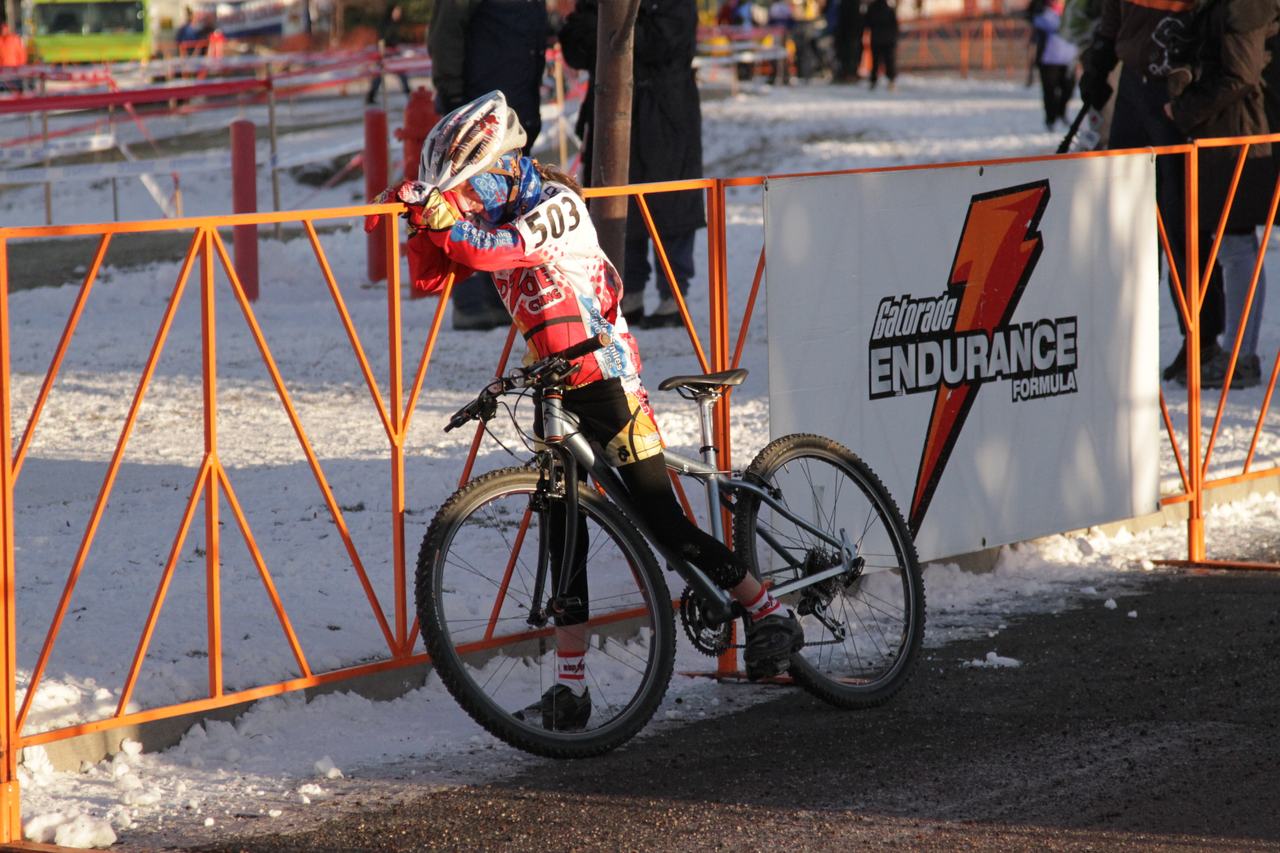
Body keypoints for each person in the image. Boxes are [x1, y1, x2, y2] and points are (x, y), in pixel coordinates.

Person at [387, 92, 804, 726]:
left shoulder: (556, 207)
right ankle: (571, 688)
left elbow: (484, 250)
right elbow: (438, 266)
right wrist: (418, 217)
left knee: (661, 521)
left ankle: (768, 610)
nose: (467, 201)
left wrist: (445, 218)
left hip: (606, 379)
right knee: (563, 539)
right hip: (554, 384)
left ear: (501, 172)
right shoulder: (488, 216)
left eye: (472, 188)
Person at [1077, 0, 1226, 383]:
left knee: (1181, 224)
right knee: (1126, 225)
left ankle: (1202, 340)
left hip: (1176, 89)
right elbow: (1114, 15)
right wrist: (1099, 63)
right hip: (1132, 87)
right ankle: (1124, 340)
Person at [559, 0, 706, 329]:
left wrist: (607, 26)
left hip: (666, 111)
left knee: (670, 204)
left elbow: (660, 42)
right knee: (616, 204)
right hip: (611, 107)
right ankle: (628, 291)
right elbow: (578, 48)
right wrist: (595, 27)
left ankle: (673, 297)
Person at [1166, 0, 1278, 389]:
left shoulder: (1243, 5)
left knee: (1237, 246)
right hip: (1233, 134)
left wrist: (1184, 110)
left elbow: (1241, 74)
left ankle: (1240, 357)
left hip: (1241, 137)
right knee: (1235, 244)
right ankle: (1238, 353)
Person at [428, 0, 547, 331]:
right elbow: (445, 35)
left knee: (506, 203)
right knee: (466, 202)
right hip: (476, 113)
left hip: (514, 113)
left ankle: (501, 297)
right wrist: (453, 99)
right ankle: (469, 301)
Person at [1031, 0, 1077, 129]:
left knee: (1068, 89)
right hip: (1049, 60)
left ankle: (1061, 113)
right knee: (1049, 91)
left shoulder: (1071, 13)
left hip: (1068, 59)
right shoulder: (1043, 14)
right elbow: (1047, 24)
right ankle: (1050, 119)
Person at [366, 2, 412, 105]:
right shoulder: (386, 24)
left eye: (399, 12)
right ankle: (371, 96)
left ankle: (409, 94)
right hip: (384, 53)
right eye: (397, 11)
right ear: (392, 11)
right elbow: (383, 37)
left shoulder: (397, 24)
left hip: (394, 53)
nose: (398, 14)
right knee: (378, 76)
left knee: (402, 74)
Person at [865, 0, 899, 90]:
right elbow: (895, 25)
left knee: (875, 61)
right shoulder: (889, 8)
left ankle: (873, 81)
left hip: (876, 39)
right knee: (889, 61)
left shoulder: (872, 8)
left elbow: (867, 23)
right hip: (888, 40)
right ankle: (891, 81)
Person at [833, 0, 865, 83]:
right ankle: (848, 74)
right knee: (849, 55)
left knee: (850, 54)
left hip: (849, 33)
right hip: (849, 33)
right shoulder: (850, 4)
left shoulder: (847, 4)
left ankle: (849, 74)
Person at [0, 21, 25, 94]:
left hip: (14, 69)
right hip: (2, 70)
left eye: (4, 29)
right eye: (1, 29)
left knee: (15, 89)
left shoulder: (14, 39)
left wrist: (21, 66)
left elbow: (21, 53)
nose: (3, 31)